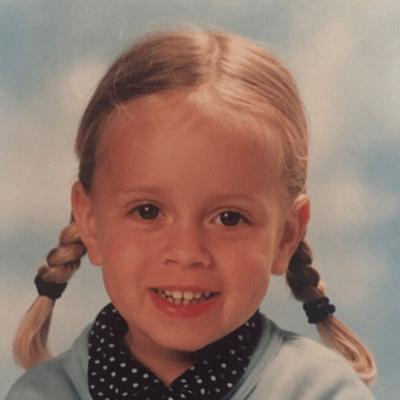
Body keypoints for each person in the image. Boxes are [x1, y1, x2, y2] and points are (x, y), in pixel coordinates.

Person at [7, 29, 376, 400]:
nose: (186, 252)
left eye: (229, 218)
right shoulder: (41, 395)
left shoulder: (322, 392)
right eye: (148, 211)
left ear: (286, 235)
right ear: (90, 222)